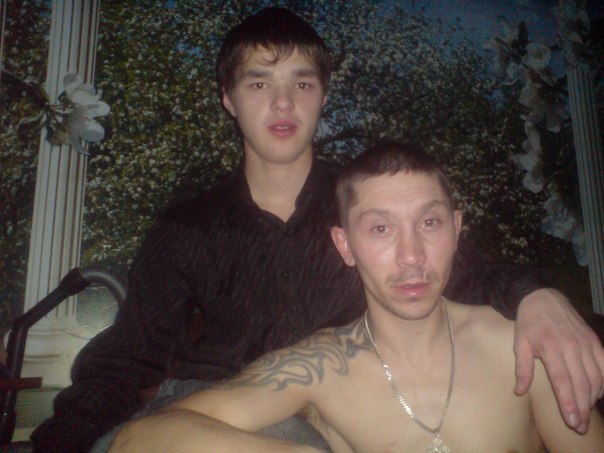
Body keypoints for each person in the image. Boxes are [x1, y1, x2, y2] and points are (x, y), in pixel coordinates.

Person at [32, 7, 604, 452]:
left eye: (302, 84)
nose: (283, 102)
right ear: (228, 99)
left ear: (323, 96)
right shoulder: (186, 227)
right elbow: (125, 360)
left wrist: (539, 297)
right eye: (259, 83)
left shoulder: (369, 212)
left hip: (319, 415)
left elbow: (461, 268)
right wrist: (64, 441)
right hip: (205, 409)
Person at [110, 142, 604, 453]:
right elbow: (139, 440)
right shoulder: (321, 368)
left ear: (456, 231)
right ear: (345, 246)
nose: (411, 255)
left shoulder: (523, 347)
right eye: (381, 229)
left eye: (429, 223)